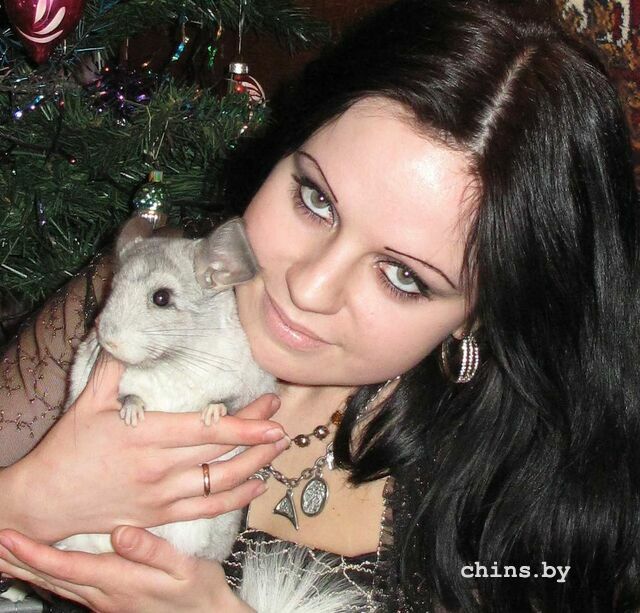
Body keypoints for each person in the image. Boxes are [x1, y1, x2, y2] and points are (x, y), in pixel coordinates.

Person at [0, 0, 638, 610]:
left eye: (403, 276)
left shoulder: (516, 504)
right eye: (315, 199)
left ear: (482, 312)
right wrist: (28, 500)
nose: (309, 288)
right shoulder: (141, 296)